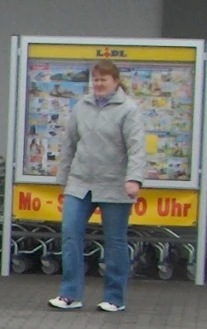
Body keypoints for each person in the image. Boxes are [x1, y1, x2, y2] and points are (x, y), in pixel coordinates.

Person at [49, 59, 148, 314]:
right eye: (95, 80)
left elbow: (137, 147)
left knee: (115, 241)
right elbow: (70, 143)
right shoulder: (81, 106)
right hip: (81, 182)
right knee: (70, 235)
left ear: (115, 81)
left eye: (103, 79)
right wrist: (63, 178)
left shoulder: (128, 110)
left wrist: (134, 179)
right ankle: (70, 293)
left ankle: (115, 297)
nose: (98, 84)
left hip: (114, 184)